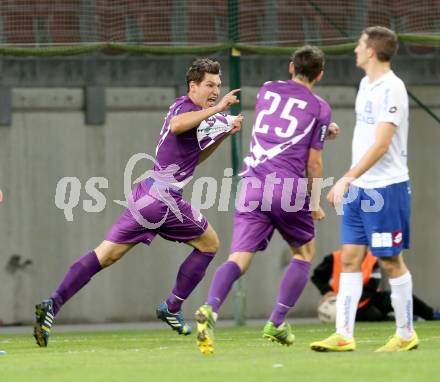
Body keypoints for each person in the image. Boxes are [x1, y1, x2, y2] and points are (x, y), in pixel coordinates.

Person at [33, 58, 244, 347]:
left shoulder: (192, 111)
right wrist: (219, 111)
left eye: (218, 86)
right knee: (210, 244)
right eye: (209, 85)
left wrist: (222, 134)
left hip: (146, 194)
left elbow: (194, 155)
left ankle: (52, 304)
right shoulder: (187, 110)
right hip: (164, 199)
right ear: (193, 85)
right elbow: (178, 125)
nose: (215, 91)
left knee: (105, 255)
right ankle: (171, 307)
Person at [194, 45, 335, 355]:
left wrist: (322, 129)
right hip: (286, 186)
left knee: (238, 259)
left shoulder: (268, 90)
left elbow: (281, 123)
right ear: (320, 74)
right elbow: (313, 163)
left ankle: (210, 309)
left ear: (290, 67)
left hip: (252, 184)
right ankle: (277, 321)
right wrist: (313, 200)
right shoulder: (320, 107)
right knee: (304, 253)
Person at [310, 26, 418, 353]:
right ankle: (343, 334)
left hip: (386, 190)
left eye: (359, 44)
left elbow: (383, 144)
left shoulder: (393, 88)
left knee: (389, 261)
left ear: (371, 50)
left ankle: (405, 333)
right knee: (351, 260)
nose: (355, 49)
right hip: (360, 188)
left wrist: (346, 177)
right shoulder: (364, 84)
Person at [312, 250, 440, 322]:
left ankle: (431, 314)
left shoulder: (371, 259)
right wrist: (327, 291)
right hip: (345, 304)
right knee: (374, 315)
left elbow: (372, 286)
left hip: (368, 298)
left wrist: (357, 299)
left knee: (395, 297)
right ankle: (403, 319)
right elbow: (316, 276)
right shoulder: (334, 258)